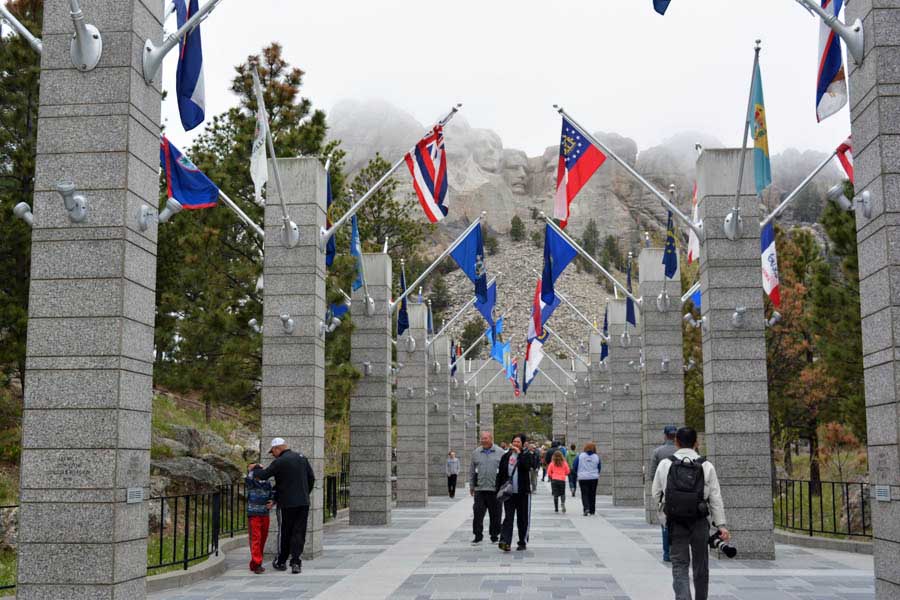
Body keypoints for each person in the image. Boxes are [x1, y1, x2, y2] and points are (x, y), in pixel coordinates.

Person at [652, 427, 729, 600]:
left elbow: (656, 492)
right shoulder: (706, 465)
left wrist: (664, 517)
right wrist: (721, 525)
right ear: (696, 443)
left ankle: (683, 597)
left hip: (675, 521)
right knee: (701, 565)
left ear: (677, 442)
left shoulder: (666, 464)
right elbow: (715, 497)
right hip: (700, 520)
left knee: (679, 564)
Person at [254, 437, 315, 574]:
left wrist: (255, 468)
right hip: (303, 502)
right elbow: (311, 478)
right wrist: (305, 493)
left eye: (273, 452)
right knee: (299, 532)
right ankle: (296, 562)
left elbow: (264, 475)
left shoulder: (279, 462)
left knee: (286, 532)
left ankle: (282, 561)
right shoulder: (302, 458)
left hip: (287, 504)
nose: (273, 455)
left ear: (278, 448)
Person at [496, 434, 537, 551]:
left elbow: (528, 466)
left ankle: (522, 542)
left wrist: (520, 454)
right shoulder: (506, 456)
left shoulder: (527, 455)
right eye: (514, 441)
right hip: (508, 493)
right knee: (508, 517)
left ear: (523, 444)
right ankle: (505, 541)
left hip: (523, 493)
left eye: (518, 442)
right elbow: (501, 474)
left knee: (522, 518)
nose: (515, 444)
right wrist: (498, 489)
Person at [650, 425, 679, 562]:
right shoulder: (683, 451)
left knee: (666, 524)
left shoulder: (658, 452)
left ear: (665, 435)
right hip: (685, 494)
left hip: (665, 495)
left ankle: (667, 553)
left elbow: (652, 476)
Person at [469, 431, 503, 545]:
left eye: (485, 438)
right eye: (481, 438)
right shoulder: (476, 453)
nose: (483, 440)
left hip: (495, 490)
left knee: (496, 514)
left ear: (491, 439)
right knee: (477, 514)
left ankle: (494, 535)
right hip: (480, 489)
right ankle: (478, 536)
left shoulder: (500, 452)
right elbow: (472, 471)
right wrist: (472, 486)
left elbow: (504, 471)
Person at [245, 463, 275, 574]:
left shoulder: (267, 483)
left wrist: (272, 502)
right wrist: (253, 467)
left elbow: (272, 494)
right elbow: (248, 477)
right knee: (256, 538)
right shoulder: (251, 483)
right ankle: (257, 563)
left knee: (262, 538)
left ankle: (254, 563)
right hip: (253, 514)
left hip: (264, 514)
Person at [573, 442, 602, 516]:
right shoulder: (596, 457)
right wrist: (596, 473)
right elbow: (599, 468)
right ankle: (592, 510)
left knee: (584, 494)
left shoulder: (579, 456)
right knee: (592, 494)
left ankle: (586, 508)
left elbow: (575, 466)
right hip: (593, 478)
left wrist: (578, 473)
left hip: (583, 478)